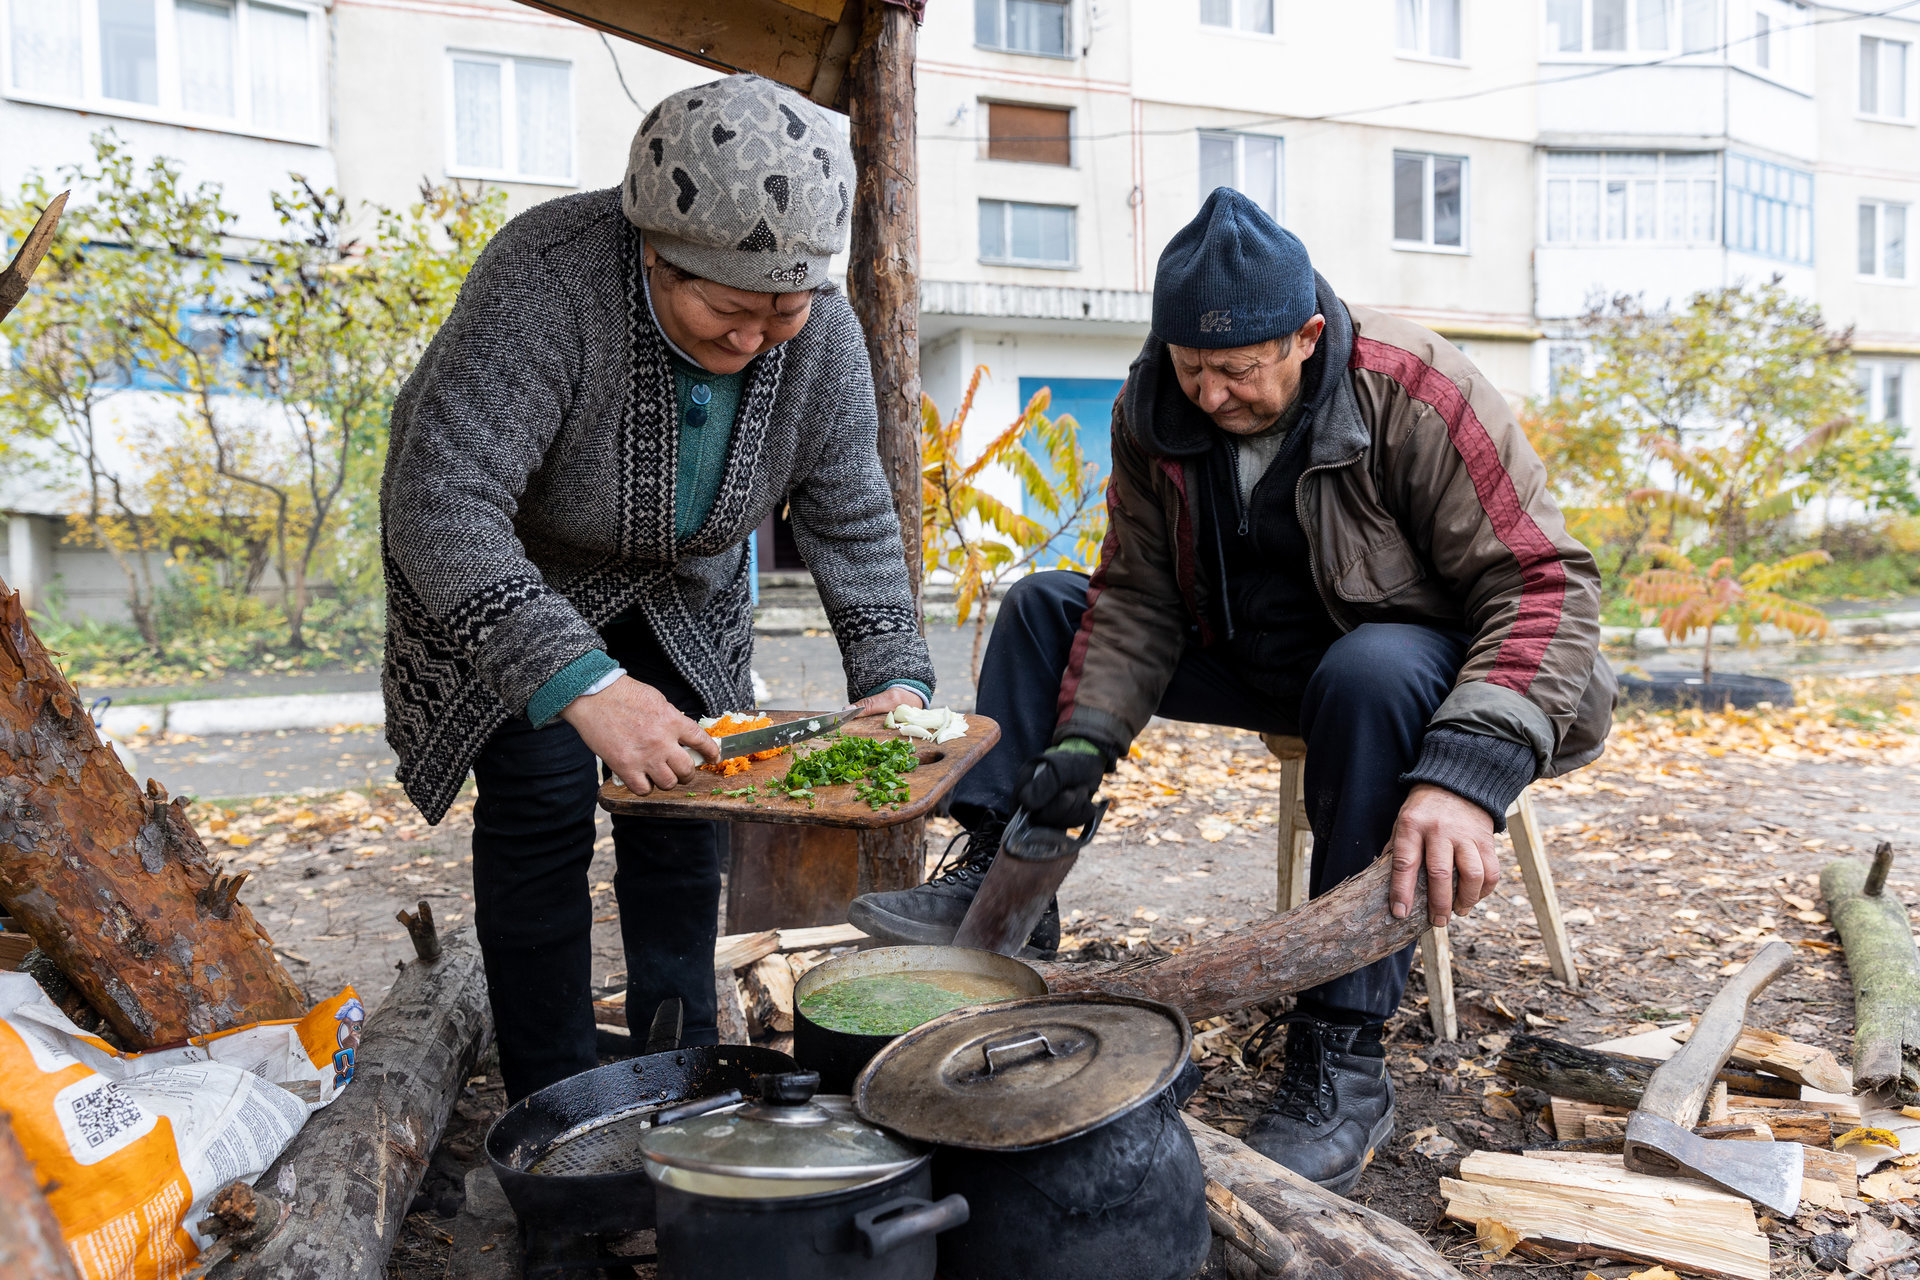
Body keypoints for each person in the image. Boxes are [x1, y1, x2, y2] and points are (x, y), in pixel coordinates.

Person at [851, 188, 1614, 1194]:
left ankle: (1341, 1057)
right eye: (1191, 367)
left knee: (1371, 667)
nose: (1209, 396)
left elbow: (1542, 582)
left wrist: (1472, 771)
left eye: (1237, 370)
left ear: (1304, 336)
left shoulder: (1415, 388)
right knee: (1045, 603)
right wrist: (1080, 745)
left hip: (1418, 670)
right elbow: (1136, 596)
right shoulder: (1153, 404)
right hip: (1258, 654)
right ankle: (1007, 883)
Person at [381, 74, 933, 1103]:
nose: (752, 341)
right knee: (543, 806)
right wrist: (585, 683)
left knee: (688, 813)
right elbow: (440, 504)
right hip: (516, 571)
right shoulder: (544, 280)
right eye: (726, 309)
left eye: (782, 315)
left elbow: (849, 512)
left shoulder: (823, 332)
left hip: (683, 588)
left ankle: (680, 1081)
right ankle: (555, 1105)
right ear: (651, 250)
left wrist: (894, 678)